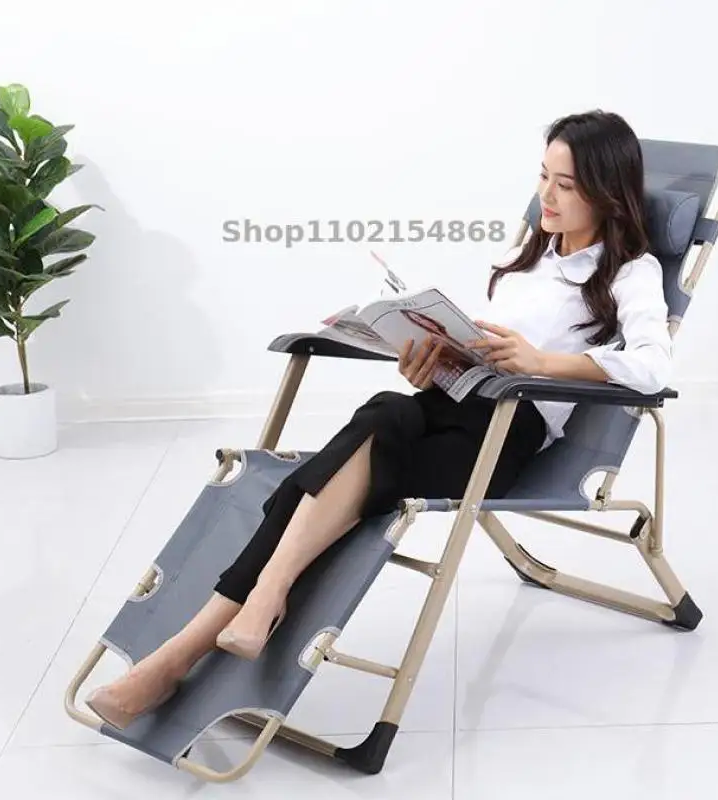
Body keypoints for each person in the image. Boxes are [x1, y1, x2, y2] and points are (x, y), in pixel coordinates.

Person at [85, 109, 673, 730]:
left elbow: (654, 366)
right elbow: (481, 350)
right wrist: (432, 362)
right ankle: (257, 603)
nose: (545, 196)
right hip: (451, 403)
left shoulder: (631, 272)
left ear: (606, 192)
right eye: (543, 176)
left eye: (565, 185)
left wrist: (545, 363)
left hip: (506, 435)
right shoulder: (525, 257)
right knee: (387, 410)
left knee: (328, 471)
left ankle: (183, 651)